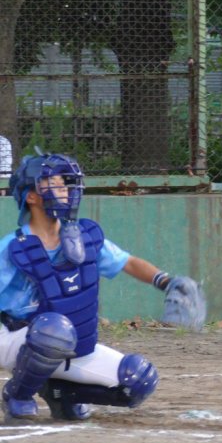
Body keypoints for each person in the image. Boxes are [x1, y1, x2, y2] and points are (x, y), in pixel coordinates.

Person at [0, 151, 197, 421]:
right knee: (53, 331)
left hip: (65, 343)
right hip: (14, 337)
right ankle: (18, 395)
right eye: (53, 184)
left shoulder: (82, 238)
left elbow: (127, 262)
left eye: (64, 183)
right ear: (31, 196)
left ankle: (61, 394)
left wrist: (166, 282)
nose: (64, 189)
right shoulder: (14, 248)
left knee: (137, 379)